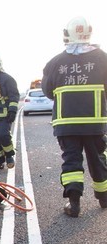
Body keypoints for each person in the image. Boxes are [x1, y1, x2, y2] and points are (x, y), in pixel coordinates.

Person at [41, 16, 107, 217]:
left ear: (67, 34)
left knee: (71, 161)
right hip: (95, 123)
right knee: (98, 158)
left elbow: (47, 90)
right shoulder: (103, 58)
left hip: (67, 123)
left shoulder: (55, 63)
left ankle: (74, 204)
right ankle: (104, 198)